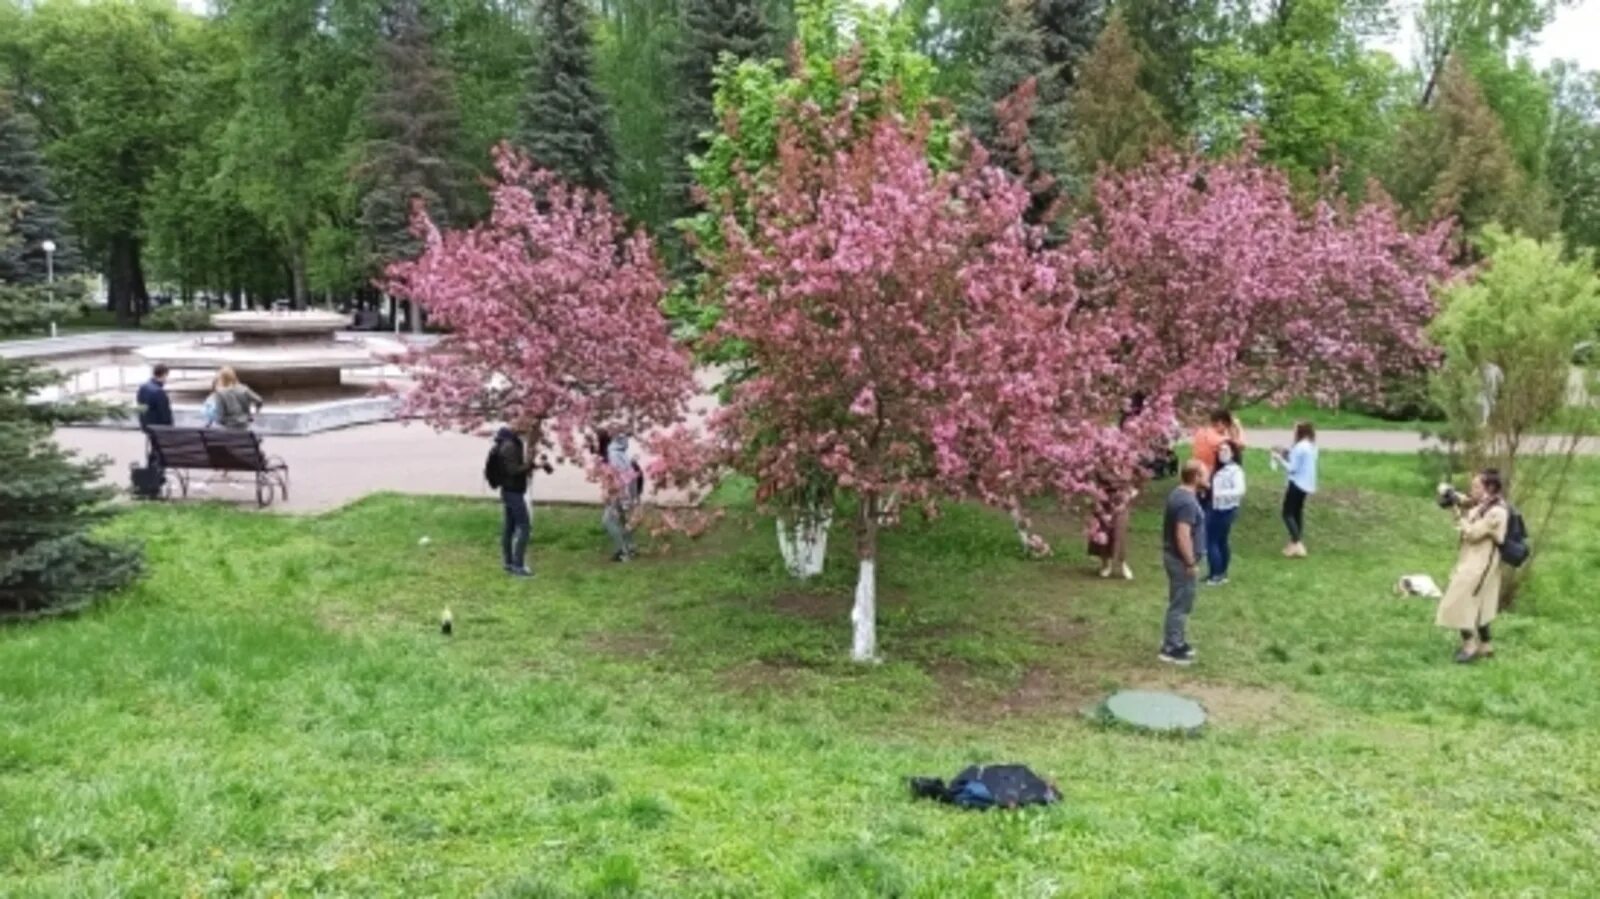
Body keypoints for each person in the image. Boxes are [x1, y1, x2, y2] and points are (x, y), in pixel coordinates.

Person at [1435, 469, 1510, 663]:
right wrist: (1451, 495)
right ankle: (1486, 646)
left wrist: (1455, 511)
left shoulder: (1497, 511)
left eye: (1477, 486)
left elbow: (1473, 534)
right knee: (1480, 603)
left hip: (1480, 564)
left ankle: (1470, 646)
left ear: (1490, 488)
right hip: (1474, 560)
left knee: (1459, 600)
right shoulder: (1485, 504)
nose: (1472, 489)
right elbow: (1466, 500)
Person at [1159, 460, 1208, 666]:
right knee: (1180, 603)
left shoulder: (1178, 494)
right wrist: (1190, 562)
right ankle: (1171, 647)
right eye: (1205, 474)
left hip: (1174, 558)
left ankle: (1176, 639)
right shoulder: (1187, 502)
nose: (1208, 478)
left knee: (1180, 601)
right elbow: (1183, 534)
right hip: (1181, 561)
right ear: (1196, 477)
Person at [492, 424, 552, 577]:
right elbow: (513, 470)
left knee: (510, 527)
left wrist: (534, 464)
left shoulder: (512, 443)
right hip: (513, 492)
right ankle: (518, 566)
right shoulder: (510, 446)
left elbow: (518, 467)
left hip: (511, 491)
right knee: (524, 527)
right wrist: (532, 465)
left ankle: (509, 563)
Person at [1272, 421, 1318, 558]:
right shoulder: (1311, 446)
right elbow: (1297, 460)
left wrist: (1279, 458)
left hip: (1296, 483)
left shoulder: (1299, 447)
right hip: (1307, 484)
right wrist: (1286, 453)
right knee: (1297, 512)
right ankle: (1295, 541)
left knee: (1287, 513)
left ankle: (1297, 543)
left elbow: (1292, 468)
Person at [1205, 440, 1246, 585]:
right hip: (1217, 507)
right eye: (1220, 450)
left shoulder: (1235, 471)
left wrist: (1219, 494)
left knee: (1211, 541)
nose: (1222, 454)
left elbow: (1240, 490)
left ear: (1233, 453)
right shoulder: (1220, 469)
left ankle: (1216, 574)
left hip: (1224, 509)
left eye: (1226, 451)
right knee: (1221, 540)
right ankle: (1220, 572)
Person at [600, 430, 642, 562]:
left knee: (608, 521)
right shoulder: (621, 453)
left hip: (620, 494)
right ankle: (631, 548)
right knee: (624, 521)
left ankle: (622, 551)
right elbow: (631, 476)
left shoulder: (613, 454)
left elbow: (621, 477)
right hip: (626, 495)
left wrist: (616, 495)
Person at [1089, 485, 1135, 580]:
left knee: (1119, 535)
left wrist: (1123, 504)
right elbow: (1091, 490)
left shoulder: (1126, 472)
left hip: (1121, 506)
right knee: (1103, 534)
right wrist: (1101, 513)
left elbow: (1133, 488)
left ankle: (1122, 563)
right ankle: (1106, 564)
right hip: (1102, 503)